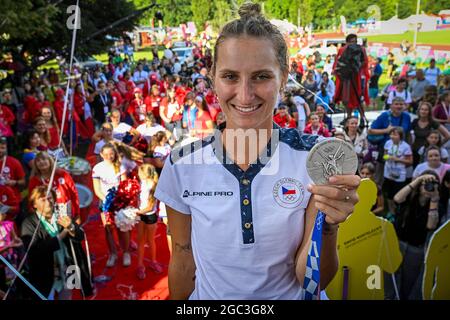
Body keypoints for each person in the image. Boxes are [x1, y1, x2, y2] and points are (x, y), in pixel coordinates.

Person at [154, 2, 360, 300]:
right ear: (212, 77)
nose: (245, 94)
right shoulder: (181, 165)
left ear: (284, 76)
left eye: (261, 76)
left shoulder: (314, 158)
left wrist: (327, 227)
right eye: (230, 77)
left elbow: (311, 281)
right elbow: (183, 258)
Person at [21, 186, 93, 300]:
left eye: (50, 198)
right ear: (34, 204)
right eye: (43, 199)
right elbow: (34, 249)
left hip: (66, 266)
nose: (48, 201)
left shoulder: (62, 214)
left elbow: (80, 236)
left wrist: (71, 227)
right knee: (46, 297)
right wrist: (62, 234)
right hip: (44, 272)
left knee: (66, 296)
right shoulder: (29, 223)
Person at [392, 171, 442, 300]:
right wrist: (419, 179)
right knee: (390, 276)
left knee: (408, 281)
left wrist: (434, 199)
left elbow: (431, 225)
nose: (428, 187)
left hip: (416, 249)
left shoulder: (437, 204)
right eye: (425, 184)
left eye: (432, 184)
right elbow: (397, 198)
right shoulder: (410, 197)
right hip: (398, 242)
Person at [92, 143, 130, 267]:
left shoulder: (120, 166)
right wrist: (107, 201)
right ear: (101, 155)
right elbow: (97, 189)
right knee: (108, 228)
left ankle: (126, 252)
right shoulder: (97, 168)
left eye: (111, 154)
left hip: (119, 201)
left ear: (115, 153)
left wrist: (119, 200)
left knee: (122, 228)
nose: (109, 156)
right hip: (105, 202)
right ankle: (113, 253)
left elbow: (124, 184)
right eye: (106, 154)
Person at [28, 152, 80, 222]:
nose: (41, 162)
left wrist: (77, 214)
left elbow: (74, 194)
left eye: (44, 159)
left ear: (50, 161)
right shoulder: (34, 181)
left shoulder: (63, 174)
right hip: (47, 217)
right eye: (38, 161)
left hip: (67, 213)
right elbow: (32, 200)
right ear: (35, 165)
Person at [332, 33, 370, 119]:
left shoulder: (361, 49)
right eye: (352, 41)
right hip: (345, 78)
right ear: (347, 42)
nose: (354, 43)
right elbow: (338, 63)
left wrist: (356, 67)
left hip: (357, 77)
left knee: (359, 97)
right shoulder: (342, 50)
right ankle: (349, 117)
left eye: (355, 41)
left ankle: (363, 117)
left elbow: (364, 62)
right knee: (346, 99)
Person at [136, 164, 163, 280]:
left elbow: (150, 206)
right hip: (140, 215)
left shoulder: (153, 185)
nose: (138, 174)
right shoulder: (140, 184)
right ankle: (140, 265)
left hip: (149, 215)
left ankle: (153, 261)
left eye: (139, 172)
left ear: (145, 174)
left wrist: (137, 212)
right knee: (141, 240)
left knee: (150, 240)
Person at [382, 126, 413, 216]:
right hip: (388, 171)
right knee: (389, 193)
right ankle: (391, 211)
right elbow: (384, 155)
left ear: (400, 136)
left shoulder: (405, 146)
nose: (392, 136)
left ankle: (399, 211)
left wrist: (396, 159)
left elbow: (410, 161)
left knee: (398, 193)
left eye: (395, 134)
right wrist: (386, 157)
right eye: (391, 134)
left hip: (400, 173)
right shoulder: (388, 143)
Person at [411, 102, 450, 166]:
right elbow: (408, 133)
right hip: (416, 150)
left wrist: (437, 144)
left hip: (429, 152)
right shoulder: (415, 121)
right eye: (422, 109)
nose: (423, 111)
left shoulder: (433, 122)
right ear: (419, 110)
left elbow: (447, 135)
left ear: (429, 112)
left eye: (426, 110)